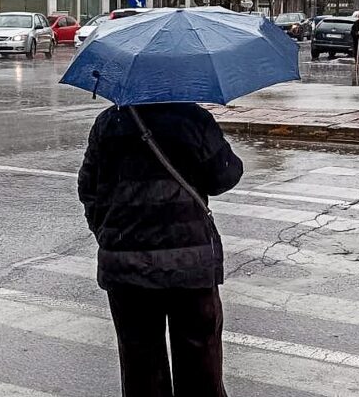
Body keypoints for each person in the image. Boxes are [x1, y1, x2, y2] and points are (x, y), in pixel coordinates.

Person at [78, 102, 244, 397]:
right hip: (190, 263)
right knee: (200, 361)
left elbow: (89, 188)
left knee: (141, 364)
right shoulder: (193, 119)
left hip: (127, 266)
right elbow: (224, 177)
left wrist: (106, 233)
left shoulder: (110, 123)